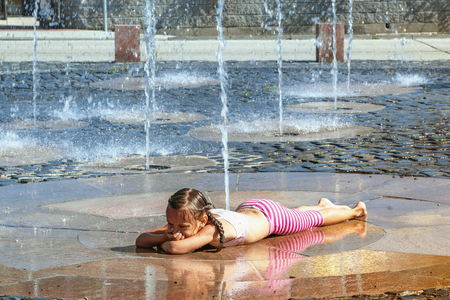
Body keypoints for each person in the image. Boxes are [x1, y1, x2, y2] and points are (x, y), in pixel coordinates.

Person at [135, 188, 367, 254]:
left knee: (312, 219)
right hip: (249, 208)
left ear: (202, 219)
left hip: (272, 218)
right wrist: (165, 233)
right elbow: (141, 239)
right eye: (171, 224)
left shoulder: (210, 231)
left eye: (182, 227)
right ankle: (322, 204)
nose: (175, 230)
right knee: (300, 213)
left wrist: (165, 239)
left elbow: (173, 247)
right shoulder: (185, 222)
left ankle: (354, 211)